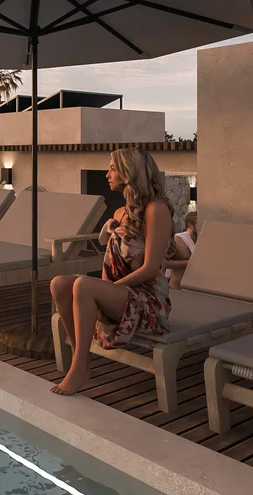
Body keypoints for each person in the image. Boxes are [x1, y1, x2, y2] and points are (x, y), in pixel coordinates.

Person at [49, 148, 176, 396]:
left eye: (112, 168)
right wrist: (106, 290)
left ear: (130, 172)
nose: (107, 174)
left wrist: (110, 290)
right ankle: (80, 360)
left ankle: (78, 367)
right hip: (121, 296)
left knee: (83, 286)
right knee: (58, 283)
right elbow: (111, 264)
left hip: (148, 303)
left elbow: (151, 269)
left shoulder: (156, 210)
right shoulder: (120, 214)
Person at [165, 210, 197, 289]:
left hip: (194, 290)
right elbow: (163, 263)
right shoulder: (178, 239)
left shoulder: (202, 241)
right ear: (190, 225)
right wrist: (190, 263)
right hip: (177, 288)